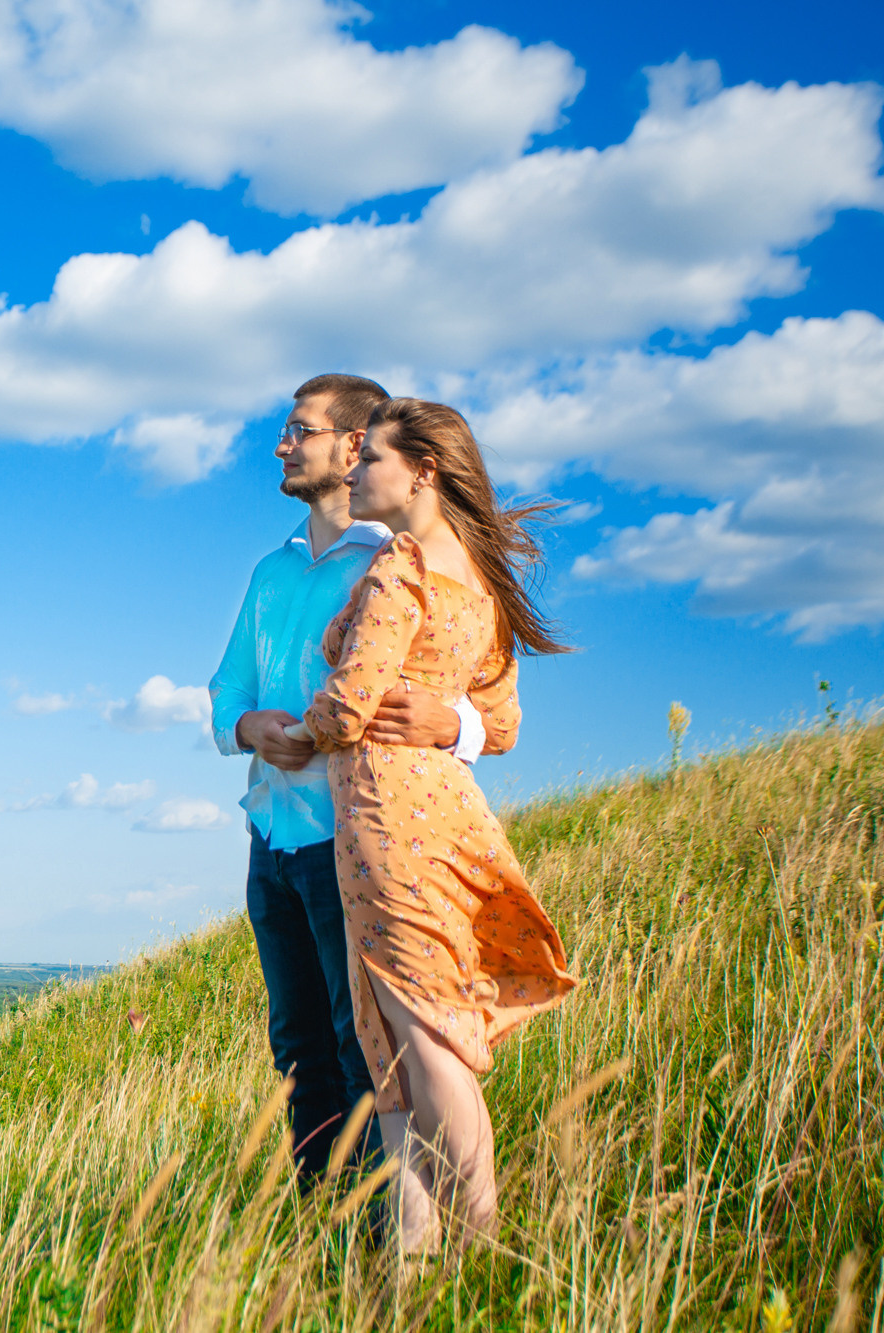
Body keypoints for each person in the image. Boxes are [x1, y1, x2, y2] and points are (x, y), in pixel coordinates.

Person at [292, 397, 577, 1253]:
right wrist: (451, 720)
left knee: (421, 1036)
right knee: (396, 1053)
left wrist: (295, 726)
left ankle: (487, 1249)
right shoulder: (478, 581)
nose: (354, 470)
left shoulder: (403, 568)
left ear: (422, 471)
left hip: (387, 816)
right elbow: (502, 716)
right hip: (446, 815)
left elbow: (348, 707)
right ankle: (411, 1275)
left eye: (370, 456)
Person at [210, 374, 492, 1188]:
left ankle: (384, 1230)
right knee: (298, 1048)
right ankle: (321, 1222)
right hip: (272, 839)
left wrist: (457, 727)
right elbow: (228, 685)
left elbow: (484, 702)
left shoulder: (399, 560)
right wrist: (245, 727)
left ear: (351, 444)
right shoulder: (272, 570)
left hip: (357, 839)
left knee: (362, 1043)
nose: (281, 444)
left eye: (300, 429)